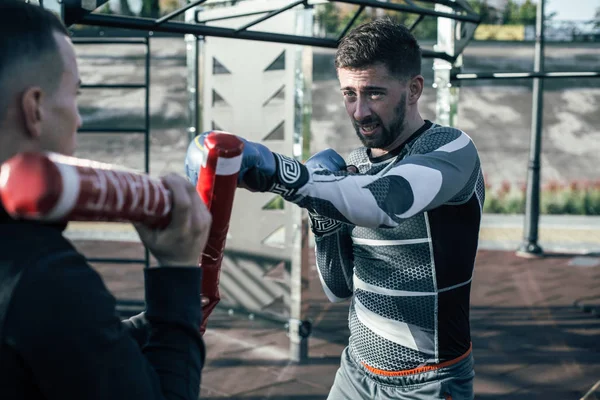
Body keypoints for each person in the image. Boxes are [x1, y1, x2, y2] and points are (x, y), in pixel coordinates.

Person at [186, 18, 484, 400]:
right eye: (349, 94)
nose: (359, 112)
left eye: (374, 93)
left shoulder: (450, 149)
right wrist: (323, 216)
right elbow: (338, 286)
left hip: (429, 382)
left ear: (413, 89)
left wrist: (282, 173)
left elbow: (386, 200)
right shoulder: (353, 167)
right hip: (356, 371)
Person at [0, 2, 211, 399]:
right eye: (74, 95)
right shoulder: (45, 278)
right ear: (34, 109)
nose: (78, 119)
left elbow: (61, 349)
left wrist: (144, 323)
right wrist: (179, 271)